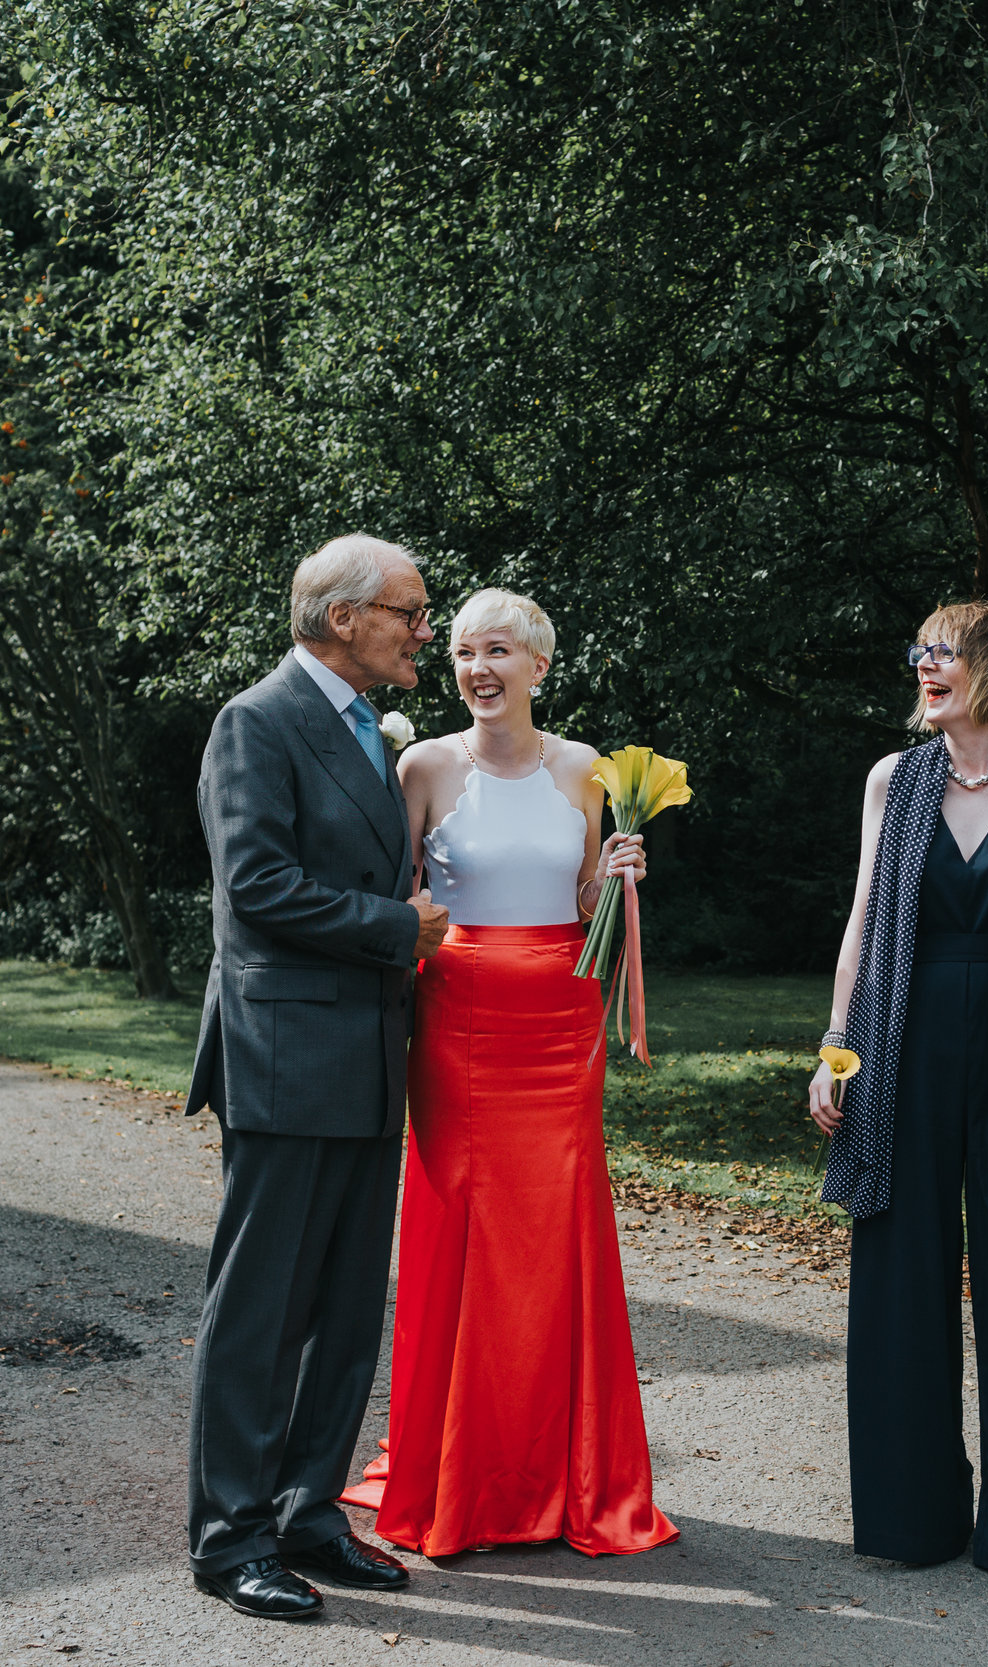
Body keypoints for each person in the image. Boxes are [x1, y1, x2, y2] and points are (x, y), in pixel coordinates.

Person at [361, 586, 679, 1558]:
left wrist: (616, 875)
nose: (477, 668)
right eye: (462, 650)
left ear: (540, 664)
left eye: (498, 649)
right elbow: (387, 890)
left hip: (557, 1023)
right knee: (461, 1226)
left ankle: (565, 1471)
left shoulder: (587, 770)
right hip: (456, 1023)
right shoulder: (419, 765)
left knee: (556, 1234)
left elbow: (581, 897)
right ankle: (454, 1467)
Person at [184, 535, 452, 1621]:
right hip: (286, 1057)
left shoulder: (365, 729)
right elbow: (255, 888)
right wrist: (398, 924)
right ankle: (229, 1536)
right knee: (263, 1311)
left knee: (344, 1308)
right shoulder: (256, 720)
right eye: (409, 610)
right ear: (341, 617)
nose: (422, 630)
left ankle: (308, 1513)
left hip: (368, 1056)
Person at [810, 600, 988, 1577]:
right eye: (920, 649)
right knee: (900, 1273)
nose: (923, 667)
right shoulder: (891, 780)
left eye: (941, 653)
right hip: (901, 1050)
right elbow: (860, 923)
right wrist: (835, 1045)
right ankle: (910, 1514)